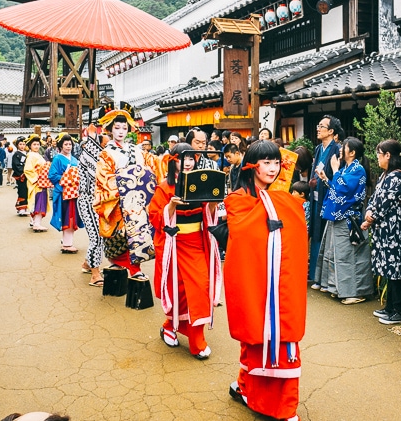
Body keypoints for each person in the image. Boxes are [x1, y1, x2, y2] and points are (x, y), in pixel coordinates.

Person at [225, 140, 307, 421]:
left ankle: (282, 405)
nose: (272, 168)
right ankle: (250, 390)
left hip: (280, 281)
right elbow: (244, 236)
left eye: (276, 162)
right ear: (252, 165)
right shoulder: (237, 199)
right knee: (255, 336)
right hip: (254, 278)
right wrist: (270, 212)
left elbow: (295, 232)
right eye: (266, 162)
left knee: (280, 334)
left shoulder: (282, 197)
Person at [148, 142, 220, 360]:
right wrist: (170, 206)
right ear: (173, 161)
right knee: (178, 289)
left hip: (197, 242)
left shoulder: (201, 182)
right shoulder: (164, 187)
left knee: (199, 287)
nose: (187, 163)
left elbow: (209, 212)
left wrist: (214, 204)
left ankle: (197, 341)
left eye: (191, 159)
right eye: (182, 159)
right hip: (174, 242)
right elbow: (154, 216)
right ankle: (169, 326)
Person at [94, 109, 154, 277]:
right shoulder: (106, 153)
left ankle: (135, 268)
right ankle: (119, 263)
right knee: (118, 233)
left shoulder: (137, 150)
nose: (120, 132)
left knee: (136, 232)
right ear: (110, 129)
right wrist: (124, 180)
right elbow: (103, 177)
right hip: (117, 197)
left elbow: (150, 168)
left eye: (124, 128)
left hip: (135, 200)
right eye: (117, 128)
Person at [313, 136, 371, 304]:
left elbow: (344, 189)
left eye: (343, 147)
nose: (340, 150)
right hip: (339, 216)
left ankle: (354, 292)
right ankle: (337, 287)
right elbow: (337, 189)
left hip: (348, 218)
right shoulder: (347, 168)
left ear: (352, 152)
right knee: (335, 254)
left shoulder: (357, 169)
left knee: (348, 256)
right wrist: (325, 178)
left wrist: (335, 169)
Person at [361, 140, 401, 324]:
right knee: (387, 267)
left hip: (394, 229)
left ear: (388, 155)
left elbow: (385, 203)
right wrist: (370, 211)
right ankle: (390, 307)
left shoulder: (397, 177)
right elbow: (374, 200)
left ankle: (399, 309)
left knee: (395, 269)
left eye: (379, 154)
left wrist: (371, 216)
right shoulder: (384, 176)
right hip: (384, 229)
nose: (377, 158)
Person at [307, 115, 342, 282]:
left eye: (322, 126)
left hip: (328, 197)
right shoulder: (318, 148)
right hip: (315, 196)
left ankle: (323, 277)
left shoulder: (336, 150)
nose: (318, 128)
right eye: (318, 125)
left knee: (324, 235)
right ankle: (313, 274)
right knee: (314, 232)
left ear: (331, 131)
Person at [77, 134, 106, 287]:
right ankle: (95, 275)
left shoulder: (103, 154)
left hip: (101, 200)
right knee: (97, 236)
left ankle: (88, 263)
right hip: (87, 200)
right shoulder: (89, 156)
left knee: (103, 234)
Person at [48, 133, 83, 254]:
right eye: (65, 144)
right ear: (60, 146)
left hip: (74, 192)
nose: (68, 146)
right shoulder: (57, 158)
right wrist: (66, 176)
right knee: (68, 217)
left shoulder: (74, 159)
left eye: (70, 144)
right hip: (64, 192)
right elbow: (52, 175)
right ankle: (67, 244)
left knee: (72, 216)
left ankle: (66, 240)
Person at [24, 135, 50, 232]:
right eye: (34, 144)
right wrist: (37, 178)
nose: (36, 146)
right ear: (30, 146)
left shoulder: (37, 155)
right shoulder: (31, 155)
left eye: (38, 144)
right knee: (38, 201)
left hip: (41, 180)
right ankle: (37, 223)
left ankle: (34, 220)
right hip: (37, 182)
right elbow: (28, 170)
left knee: (38, 201)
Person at [11, 137, 28, 216]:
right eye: (20, 144)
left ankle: (24, 207)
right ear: (17, 145)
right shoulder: (16, 154)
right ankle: (21, 208)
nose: (22, 146)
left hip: (28, 175)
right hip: (21, 176)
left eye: (24, 144)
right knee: (22, 191)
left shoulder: (27, 153)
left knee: (27, 192)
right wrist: (22, 172)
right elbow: (16, 165)